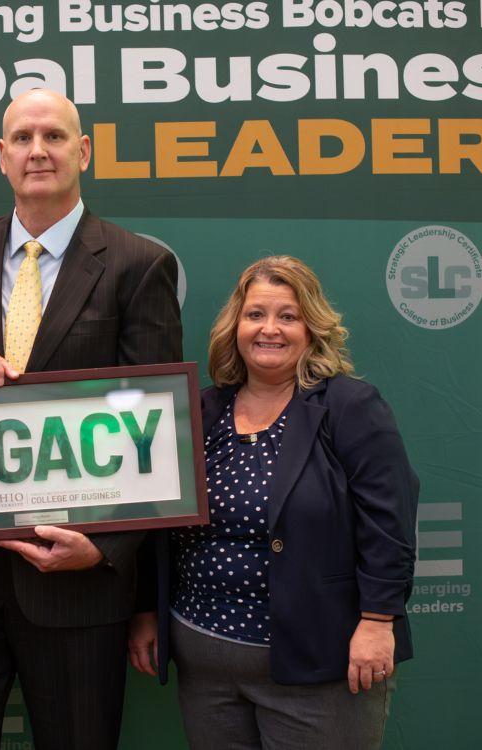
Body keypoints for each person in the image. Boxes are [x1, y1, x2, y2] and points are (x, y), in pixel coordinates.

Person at [0, 88, 182, 749]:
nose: (37, 151)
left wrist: (106, 549)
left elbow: (156, 431)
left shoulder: (138, 266)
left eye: (53, 136)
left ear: (83, 151)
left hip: (79, 585)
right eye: (21, 139)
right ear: (1, 157)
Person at [129, 255, 418, 749]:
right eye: (255, 315)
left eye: (288, 316)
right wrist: (144, 611)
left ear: (313, 329)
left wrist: (377, 621)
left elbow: (389, 522)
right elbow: (155, 517)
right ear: (234, 327)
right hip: (205, 669)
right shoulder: (201, 410)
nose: (270, 329)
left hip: (320, 667)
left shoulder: (348, 406)